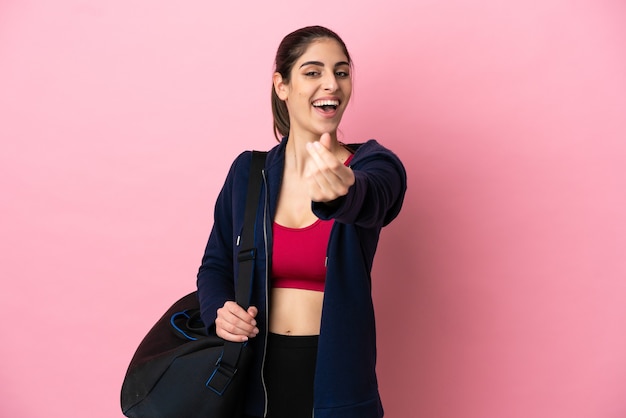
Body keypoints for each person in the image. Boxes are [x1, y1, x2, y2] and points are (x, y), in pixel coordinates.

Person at [196, 25, 407, 418]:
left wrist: (345, 189)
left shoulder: (373, 166)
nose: (332, 83)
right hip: (251, 379)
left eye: (341, 72)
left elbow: (376, 198)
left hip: (337, 382)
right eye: (313, 72)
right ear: (282, 85)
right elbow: (216, 264)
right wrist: (219, 312)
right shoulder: (248, 172)